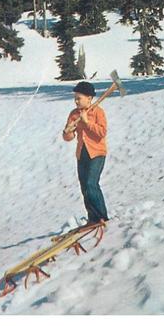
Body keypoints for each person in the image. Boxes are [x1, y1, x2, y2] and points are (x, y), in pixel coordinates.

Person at [62, 80, 109, 224]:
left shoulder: (98, 112)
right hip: (82, 153)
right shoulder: (74, 114)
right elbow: (68, 138)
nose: (76, 101)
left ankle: (102, 217)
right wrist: (67, 131)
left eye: (79, 98)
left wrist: (87, 122)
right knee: (84, 186)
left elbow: (101, 132)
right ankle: (92, 218)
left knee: (91, 184)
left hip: (97, 153)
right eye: (75, 98)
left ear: (89, 98)